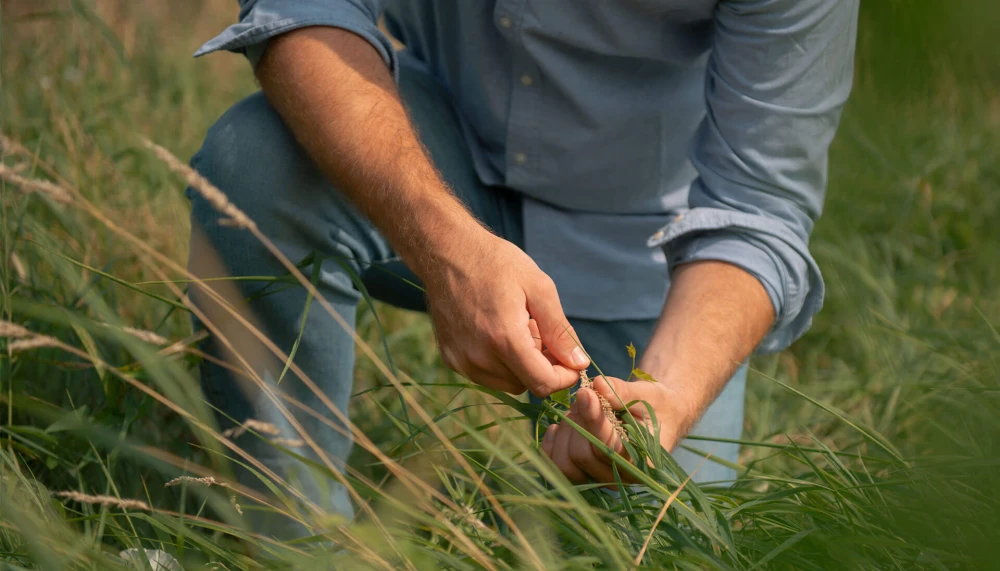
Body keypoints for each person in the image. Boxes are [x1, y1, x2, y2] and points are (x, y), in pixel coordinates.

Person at [187, 0, 859, 539]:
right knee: (257, 163)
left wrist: (674, 393)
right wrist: (444, 245)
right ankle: (291, 559)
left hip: (645, 257)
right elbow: (307, 9)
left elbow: (759, 204)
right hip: (435, 154)